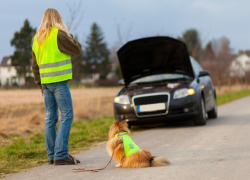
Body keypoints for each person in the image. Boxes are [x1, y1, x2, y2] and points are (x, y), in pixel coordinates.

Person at [32, 8, 81, 165]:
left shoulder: (37, 38)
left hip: (46, 84)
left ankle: (52, 155)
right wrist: (67, 33)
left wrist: (40, 84)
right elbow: (77, 48)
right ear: (57, 19)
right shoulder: (59, 34)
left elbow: (34, 65)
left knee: (50, 118)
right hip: (59, 82)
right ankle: (60, 154)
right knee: (67, 115)